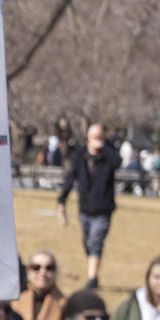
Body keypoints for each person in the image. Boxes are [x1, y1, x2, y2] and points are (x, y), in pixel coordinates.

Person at [57, 123, 119, 289]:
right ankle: (93, 273)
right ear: (88, 138)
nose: (97, 141)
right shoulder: (80, 156)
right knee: (87, 243)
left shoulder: (108, 156)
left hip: (103, 210)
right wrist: (62, 199)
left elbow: (117, 162)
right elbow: (71, 178)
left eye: (100, 137)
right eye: (94, 137)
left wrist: (104, 148)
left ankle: (92, 279)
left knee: (95, 242)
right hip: (85, 209)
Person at [16, 250, 65, 320]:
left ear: (56, 272)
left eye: (49, 268)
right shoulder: (16, 302)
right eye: (36, 267)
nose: (43, 273)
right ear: (28, 272)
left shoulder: (65, 304)